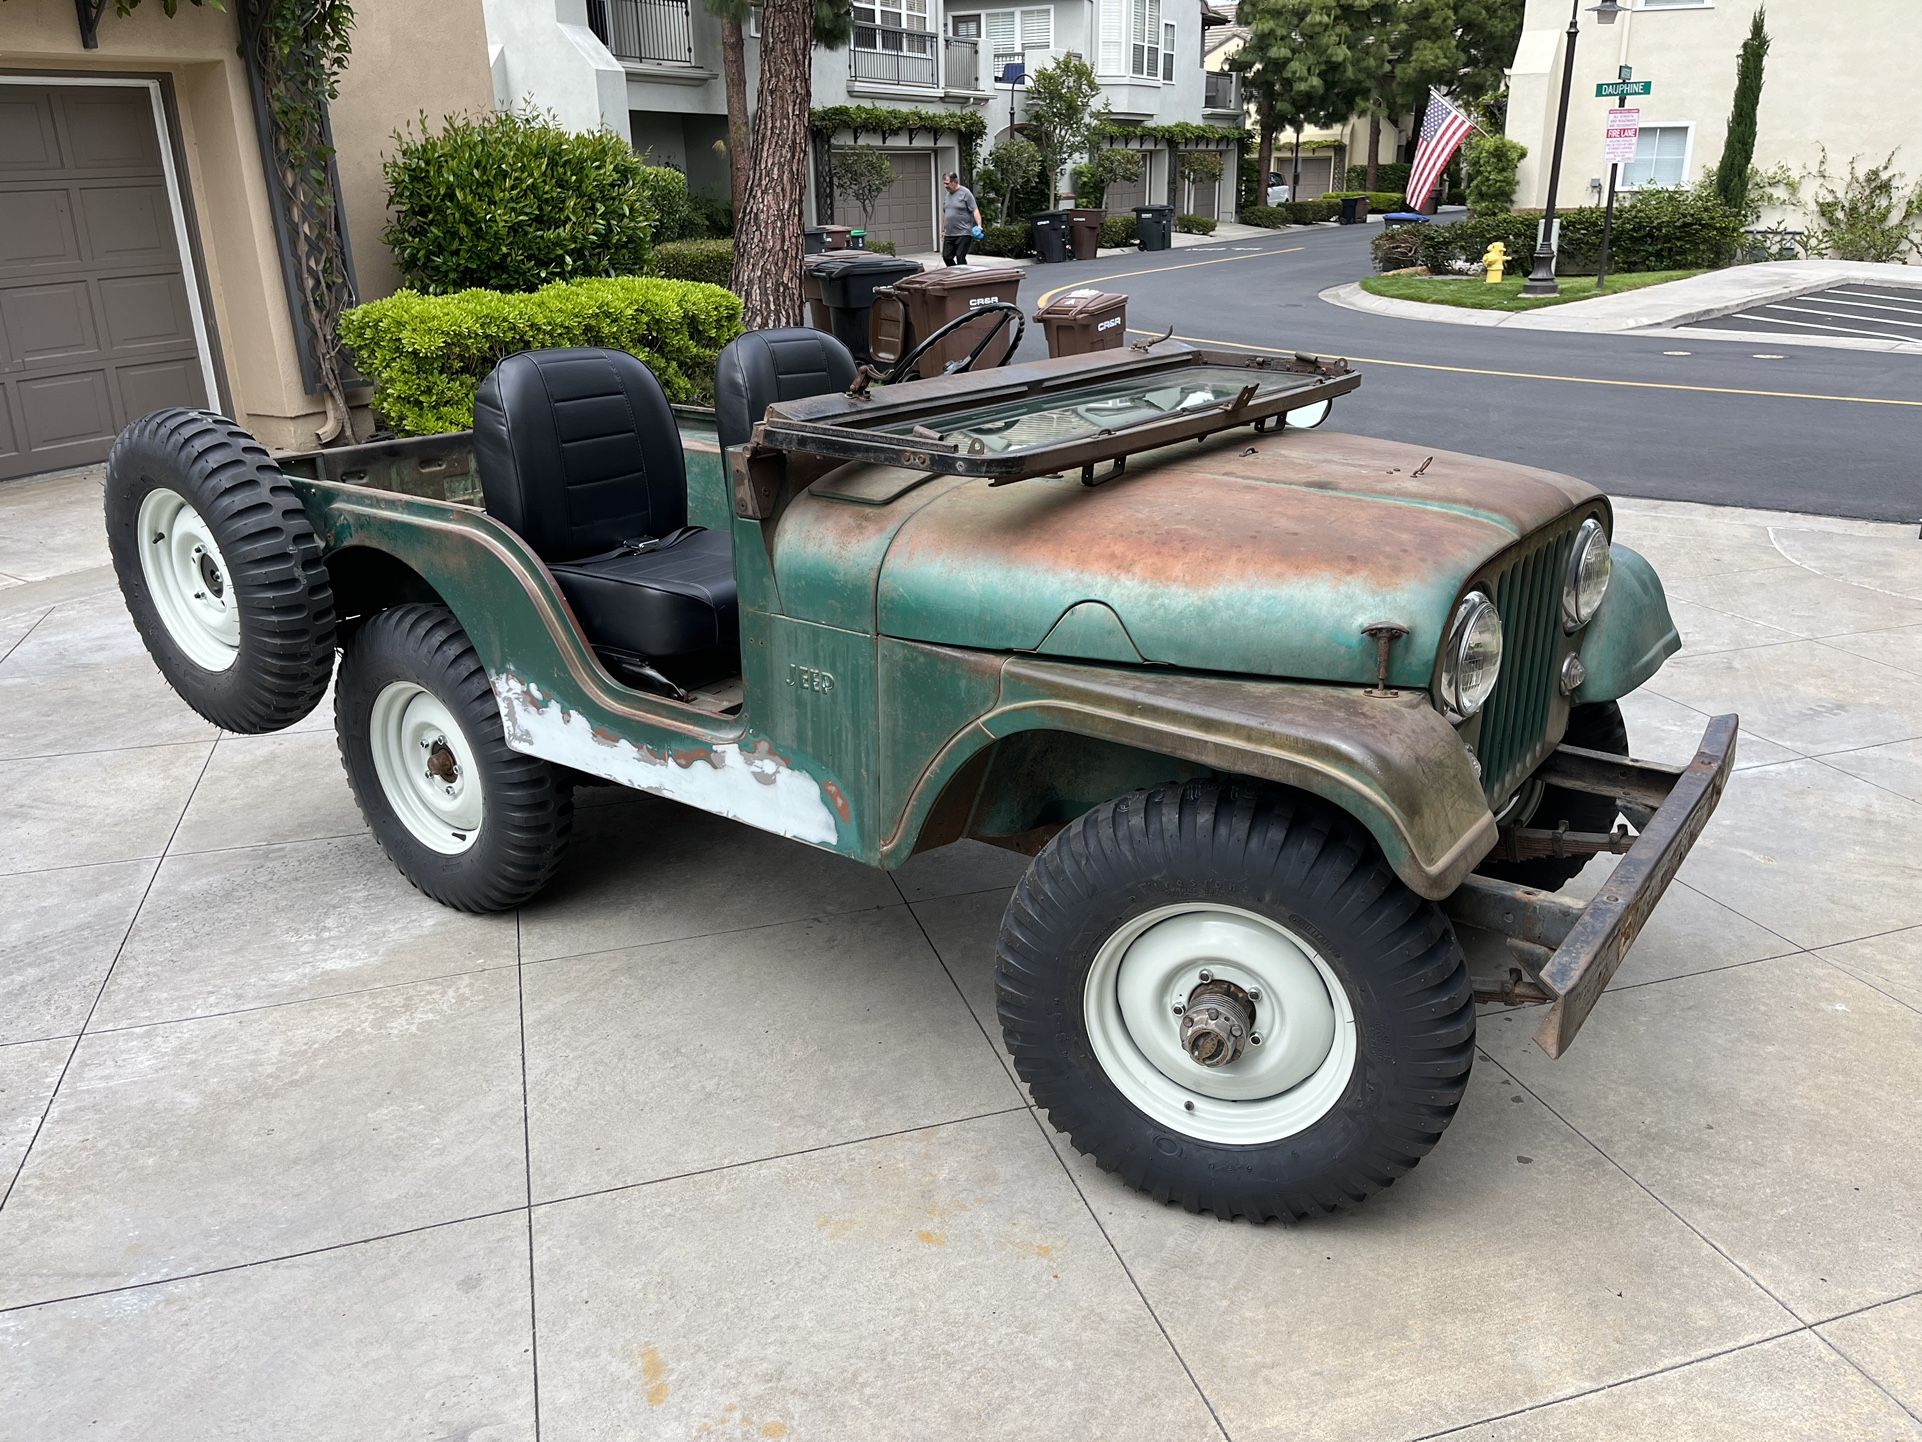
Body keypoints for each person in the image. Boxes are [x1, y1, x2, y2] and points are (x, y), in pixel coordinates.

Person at [941, 172, 983, 267]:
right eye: (944, 183)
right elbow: (946, 214)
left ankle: (963, 274)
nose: (945, 186)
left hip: (963, 232)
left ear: (954, 182)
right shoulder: (947, 196)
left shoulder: (965, 193)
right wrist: (943, 230)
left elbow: (975, 210)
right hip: (949, 233)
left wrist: (979, 226)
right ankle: (955, 273)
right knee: (946, 257)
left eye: (947, 183)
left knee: (960, 257)